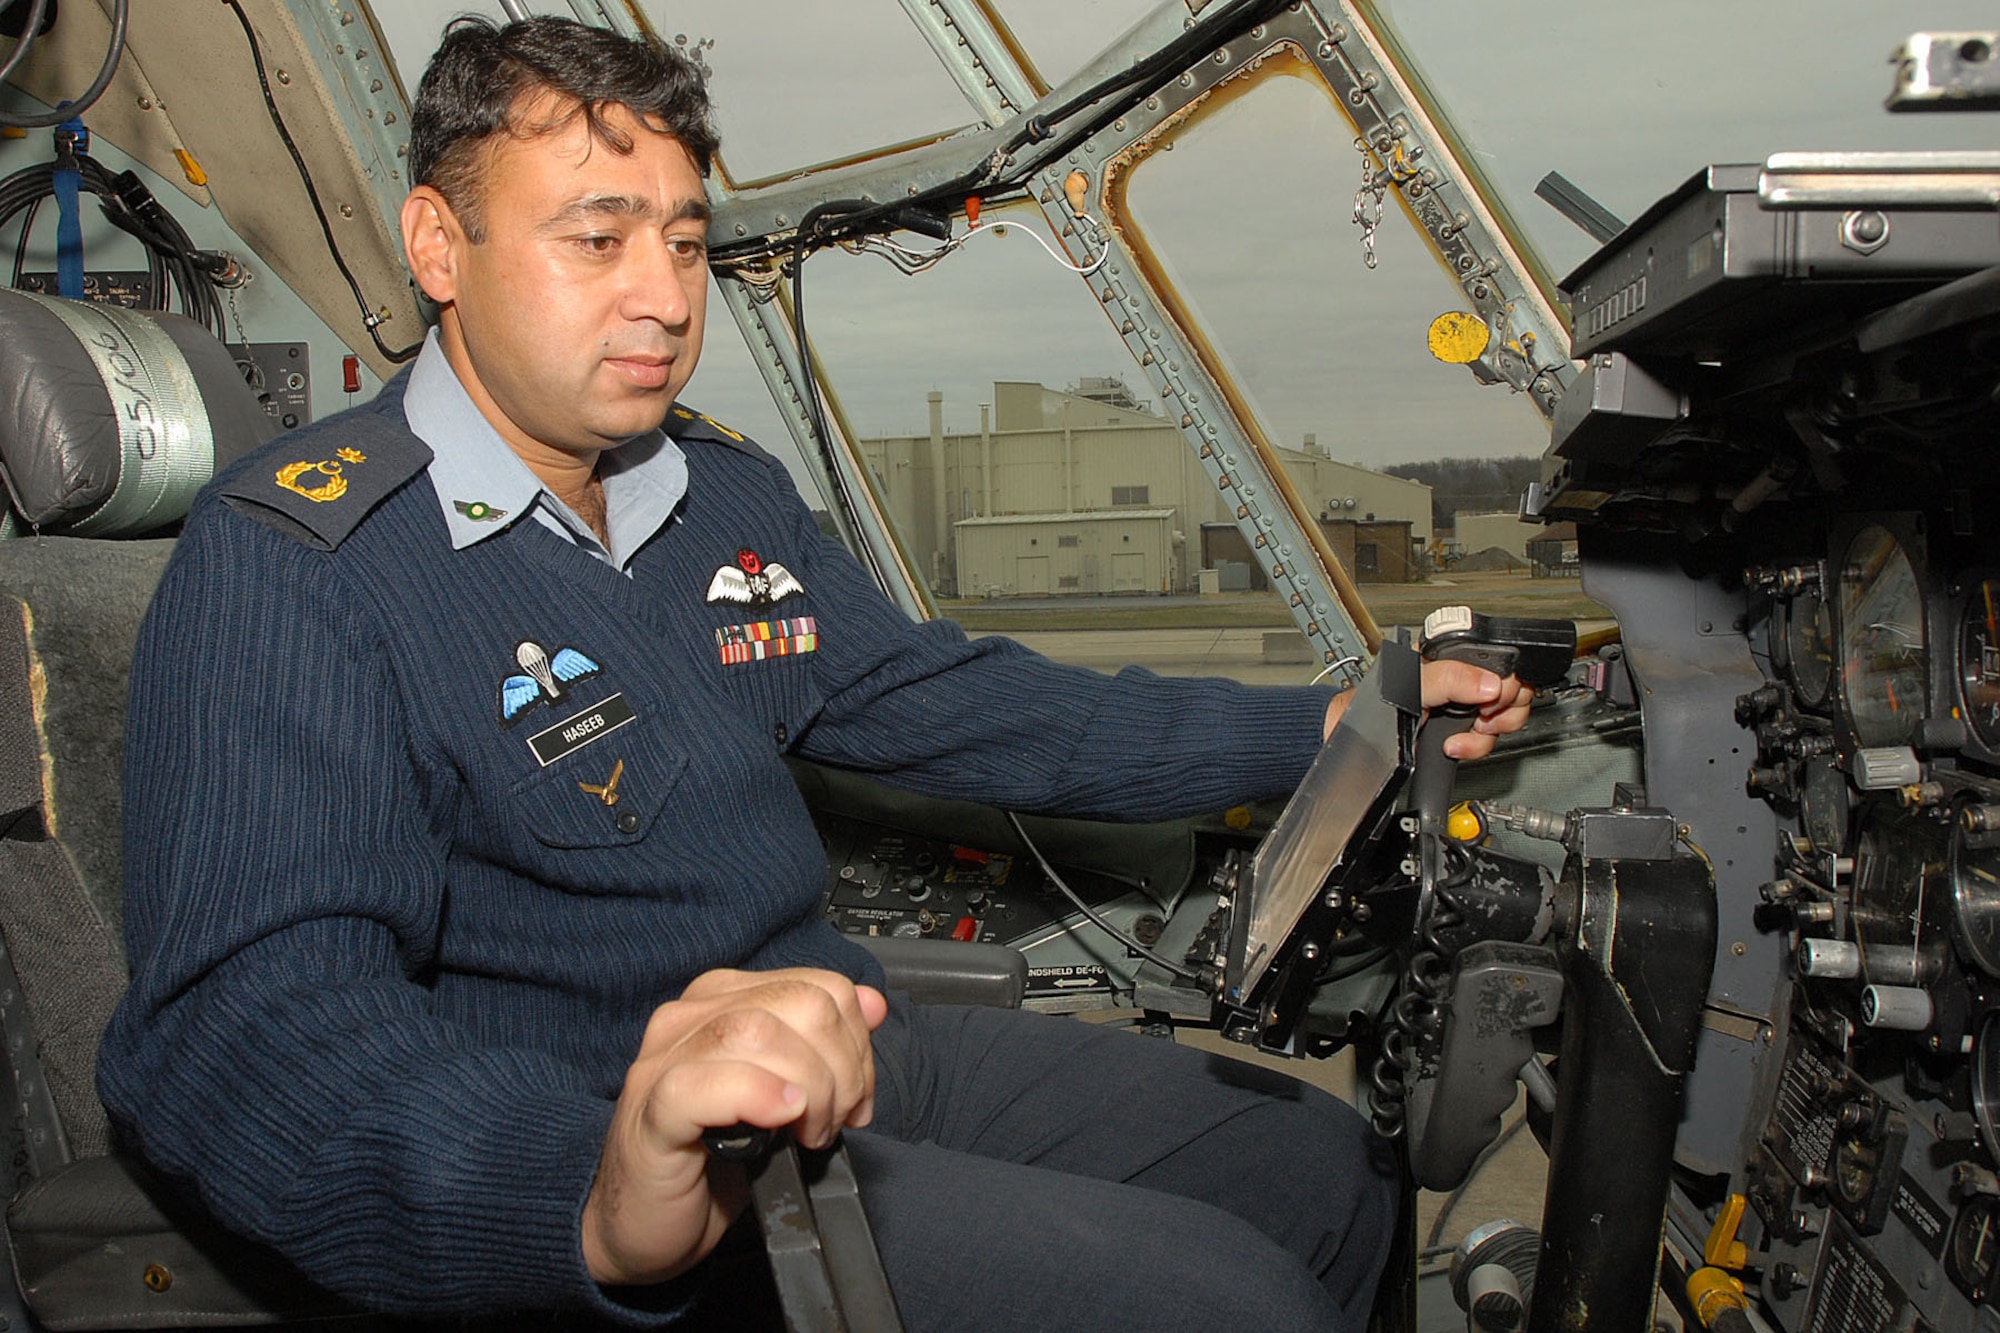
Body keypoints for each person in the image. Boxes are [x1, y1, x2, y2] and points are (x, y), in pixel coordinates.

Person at [96, 16, 1532, 1331]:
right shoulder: (298, 563)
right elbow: (247, 1026)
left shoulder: (714, 495)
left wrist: (1314, 726)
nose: (664, 297)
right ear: (436, 243)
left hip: (834, 1031)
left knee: (1320, 1170)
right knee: (1229, 1307)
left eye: (682, 239)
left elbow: (945, 696)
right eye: (598, 241)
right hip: (609, 1125)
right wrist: (588, 1193)